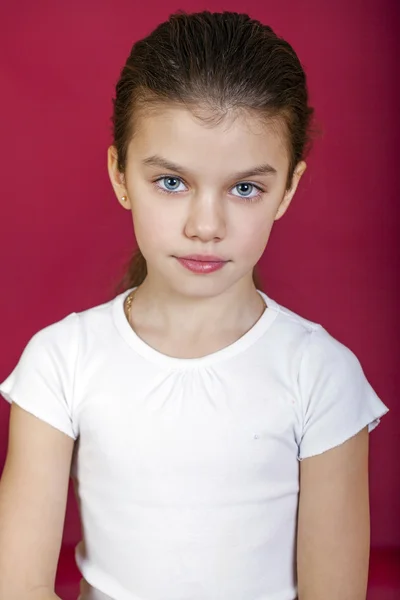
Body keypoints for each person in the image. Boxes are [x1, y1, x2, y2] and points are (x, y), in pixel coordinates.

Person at [0, 10, 389, 600]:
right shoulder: (62, 361)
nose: (206, 226)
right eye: (172, 182)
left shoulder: (323, 376)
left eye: (244, 188)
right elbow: (18, 584)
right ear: (121, 175)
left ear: (287, 189)